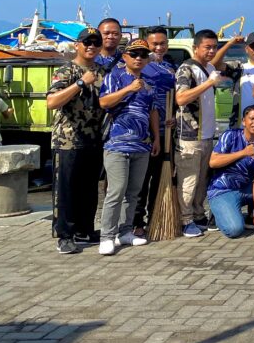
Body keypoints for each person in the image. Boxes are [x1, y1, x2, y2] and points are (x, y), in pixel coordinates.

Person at [98, 39, 160, 255]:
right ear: (124, 56)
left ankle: (125, 232)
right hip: (117, 144)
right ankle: (107, 235)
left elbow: (153, 111)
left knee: (133, 192)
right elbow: (104, 102)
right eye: (134, 54)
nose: (139, 58)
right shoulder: (115, 76)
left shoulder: (149, 84)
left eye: (143, 54)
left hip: (141, 146)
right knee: (116, 191)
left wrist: (157, 138)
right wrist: (128, 89)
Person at [47, 27, 106, 254]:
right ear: (77, 45)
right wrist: (80, 83)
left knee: (89, 189)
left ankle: (84, 229)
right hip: (67, 140)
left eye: (95, 42)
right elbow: (52, 102)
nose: (91, 46)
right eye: (87, 42)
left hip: (94, 139)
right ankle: (65, 234)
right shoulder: (66, 70)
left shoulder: (104, 71)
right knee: (66, 190)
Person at [174, 29, 224, 238]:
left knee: (202, 180)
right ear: (195, 48)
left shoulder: (210, 67)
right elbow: (181, 98)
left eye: (214, 47)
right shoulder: (186, 68)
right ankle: (185, 220)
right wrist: (209, 84)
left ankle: (197, 213)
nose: (212, 51)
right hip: (189, 136)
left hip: (206, 135)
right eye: (207, 47)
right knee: (189, 180)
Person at [133, 26, 177, 238]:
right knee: (141, 181)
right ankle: (136, 222)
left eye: (163, 44)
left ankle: (156, 219)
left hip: (166, 132)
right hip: (145, 134)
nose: (159, 48)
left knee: (160, 179)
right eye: (154, 44)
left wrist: (174, 116)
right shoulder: (139, 67)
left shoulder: (170, 67)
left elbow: (176, 98)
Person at [207, 104, 254, 238]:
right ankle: (221, 214)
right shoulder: (230, 135)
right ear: (243, 121)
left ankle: (251, 215)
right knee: (234, 230)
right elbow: (213, 162)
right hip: (223, 190)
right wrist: (243, 153)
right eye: (252, 118)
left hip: (247, 189)